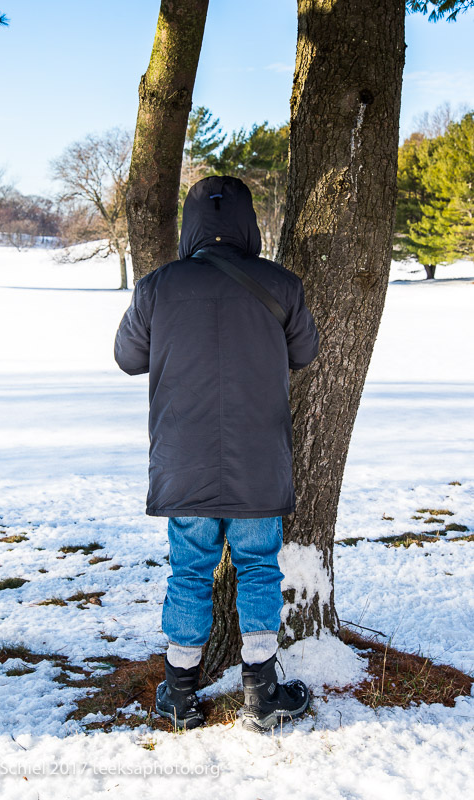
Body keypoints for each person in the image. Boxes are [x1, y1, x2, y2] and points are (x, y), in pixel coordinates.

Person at [114, 175, 319, 732]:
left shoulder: (157, 286)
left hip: (184, 458)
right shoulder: (281, 284)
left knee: (188, 571)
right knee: (257, 567)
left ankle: (179, 693)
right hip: (258, 458)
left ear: (191, 225)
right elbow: (306, 350)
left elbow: (128, 358)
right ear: (247, 225)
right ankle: (261, 690)